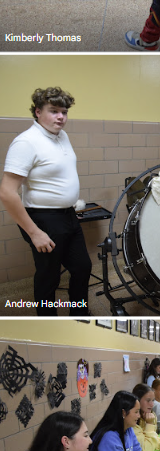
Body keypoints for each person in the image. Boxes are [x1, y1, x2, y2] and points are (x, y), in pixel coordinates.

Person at [1, 87, 89, 315]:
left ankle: (77, 315)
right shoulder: (26, 142)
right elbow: (7, 193)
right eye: (54, 111)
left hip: (68, 215)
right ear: (38, 112)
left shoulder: (62, 136)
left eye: (64, 111)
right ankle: (47, 318)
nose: (61, 117)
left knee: (82, 268)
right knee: (48, 277)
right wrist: (34, 232)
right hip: (44, 220)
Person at [130, 384, 160, 451]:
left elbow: (152, 437)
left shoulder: (151, 414)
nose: (151, 404)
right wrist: (149, 424)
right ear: (137, 400)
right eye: (148, 400)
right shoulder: (133, 419)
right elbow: (146, 448)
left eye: (153, 400)